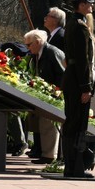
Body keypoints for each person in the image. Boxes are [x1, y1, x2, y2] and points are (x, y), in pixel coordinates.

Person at [61, 0, 95, 178]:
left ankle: (72, 166)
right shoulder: (80, 26)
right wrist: (86, 87)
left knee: (72, 122)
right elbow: (82, 60)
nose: (92, 6)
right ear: (81, 4)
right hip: (77, 80)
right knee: (76, 123)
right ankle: (74, 167)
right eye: (89, 3)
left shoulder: (72, 24)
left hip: (72, 78)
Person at [24, 29, 65, 163]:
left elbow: (62, 73)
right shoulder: (37, 54)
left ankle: (50, 156)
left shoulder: (52, 52)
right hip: (45, 95)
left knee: (50, 125)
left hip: (55, 95)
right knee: (43, 125)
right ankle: (47, 154)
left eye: (29, 45)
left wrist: (57, 91)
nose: (27, 48)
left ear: (38, 42)